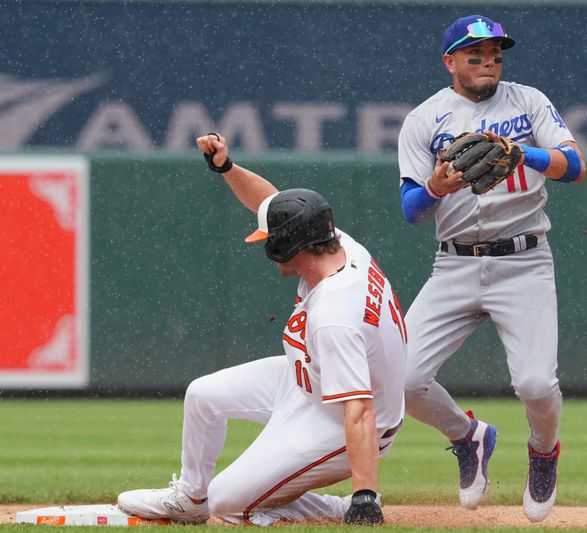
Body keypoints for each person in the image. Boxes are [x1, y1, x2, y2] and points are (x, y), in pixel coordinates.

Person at [116, 133, 407, 526]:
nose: (265, 244)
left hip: (339, 420)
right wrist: (226, 167)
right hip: (308, 379)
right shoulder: (337, 244)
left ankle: (333, 508)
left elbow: (359, 410)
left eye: (269, 240)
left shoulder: (336, 313)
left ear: (289, 247)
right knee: (202, 395)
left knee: (229, 505)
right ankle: (190, 497)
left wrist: (364, 497)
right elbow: (270, 205)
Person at [396, 15, 587, 522]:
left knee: (536, 386)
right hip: (454, 263)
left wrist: (524, 152)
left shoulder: (528, 102)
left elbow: (576, 166)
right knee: (401, 379)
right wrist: (437, 187)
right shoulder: (424, 119)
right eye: (475, 53)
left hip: (524, 261)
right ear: (450, 61)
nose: (489, 61)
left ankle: (543, 452)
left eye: (496, 53)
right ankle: (469, 437)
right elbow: (412, 210)